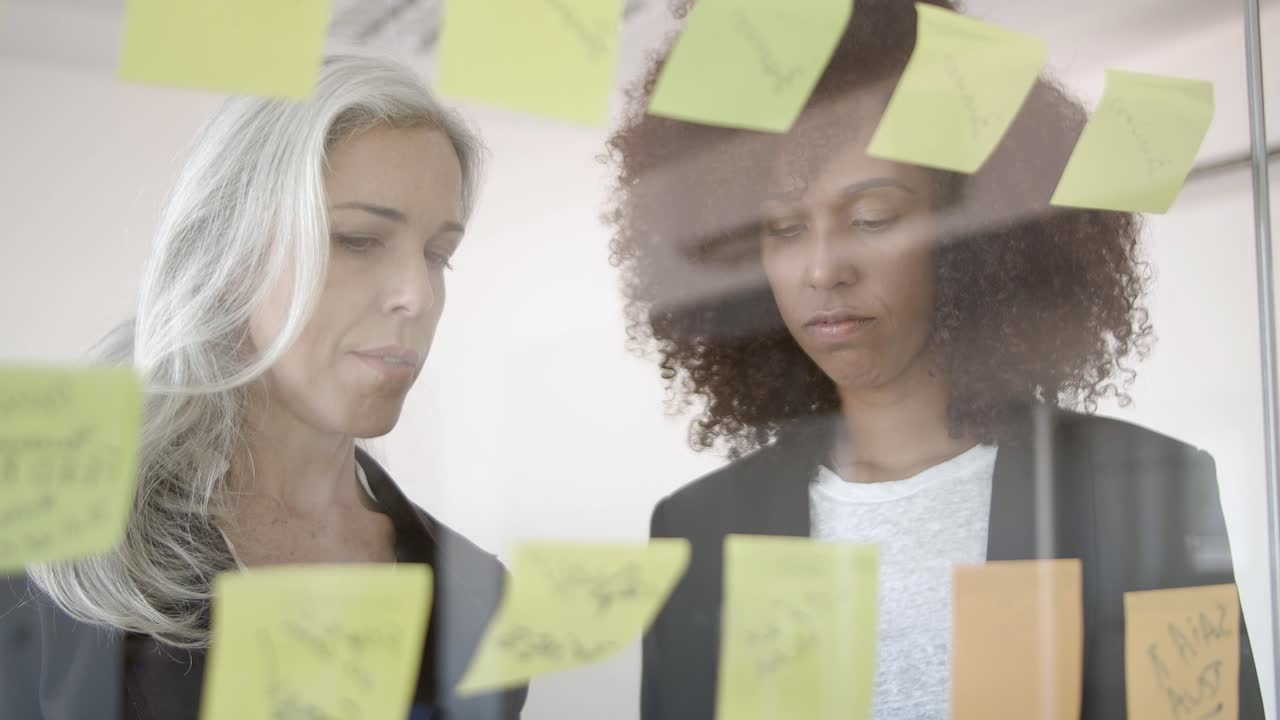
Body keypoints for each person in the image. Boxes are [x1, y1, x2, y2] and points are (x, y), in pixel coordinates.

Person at [603, 1, 1264, 718]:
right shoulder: (699, 526)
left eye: (873, 218)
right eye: (785, 228)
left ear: (973, 238)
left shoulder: (1140, 489)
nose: (823, 268)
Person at [6, 55, 526, 720]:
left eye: (437, 254)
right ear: (231, 254)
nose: (416, 296)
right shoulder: (56, 541)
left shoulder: (477, 599)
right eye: (359, 240)